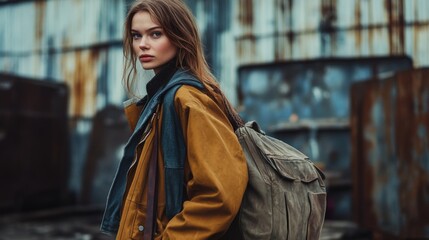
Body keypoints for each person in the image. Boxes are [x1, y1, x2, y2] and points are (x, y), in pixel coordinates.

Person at [100, 0, 248, 239]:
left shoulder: (186, 98)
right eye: (136, 36)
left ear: (180, 37)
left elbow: (219, 195)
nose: (142, 45)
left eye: (155, 34)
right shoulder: (162, 98)